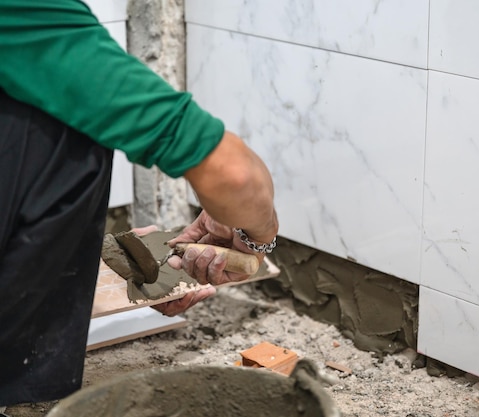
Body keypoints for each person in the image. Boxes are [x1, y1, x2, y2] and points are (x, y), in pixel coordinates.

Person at [0, 0, 278, 406]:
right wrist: (260, 236)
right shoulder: (30, 12)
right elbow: (234, 174)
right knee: (68, 131)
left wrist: (103, 264)